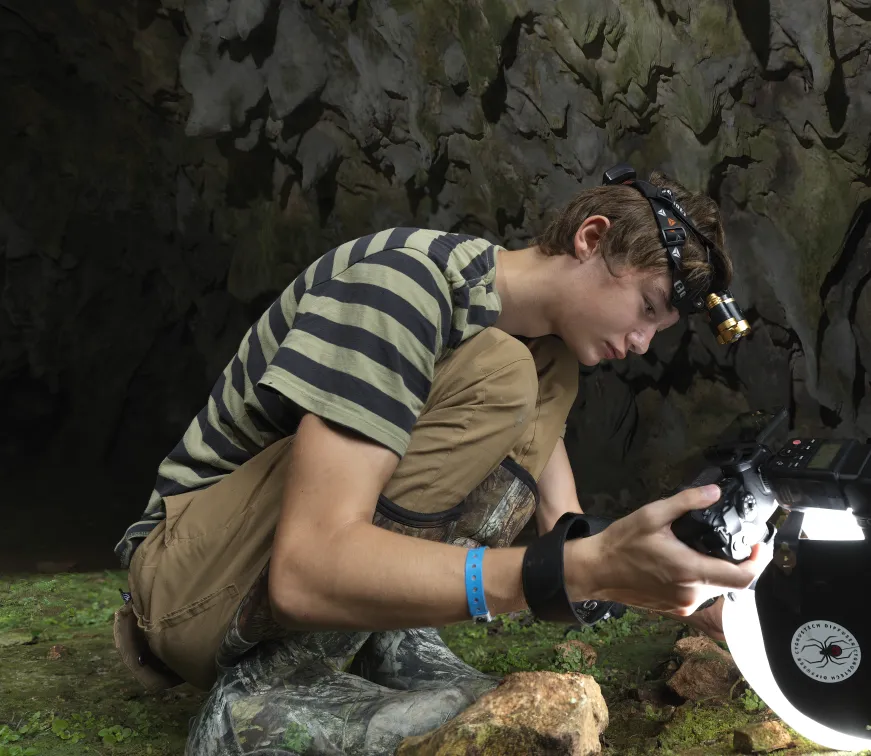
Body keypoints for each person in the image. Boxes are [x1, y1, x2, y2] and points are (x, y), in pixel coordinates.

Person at [111, 167, 770, 756]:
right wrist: (567, 573)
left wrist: (651, 580)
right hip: (190, 585)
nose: (641, 342)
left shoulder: (536, 344)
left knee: (539, 370)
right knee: (504, 372)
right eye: (647, 309)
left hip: (272, 571)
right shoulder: (401, 286)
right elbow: (303, 573)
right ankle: (258, 701)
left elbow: (567, 530)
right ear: (590, 238)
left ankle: (390, 638)